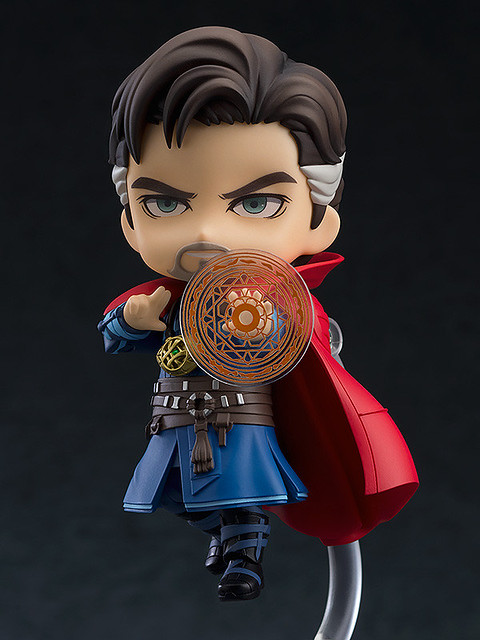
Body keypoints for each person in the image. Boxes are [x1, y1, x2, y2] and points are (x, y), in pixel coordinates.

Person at [98, 26, 418, 603]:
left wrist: (258, 323)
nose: (206, 231)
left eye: (256, 203)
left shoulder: (274, 297)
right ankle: (226, 534)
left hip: (239, 419)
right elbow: (117, 334)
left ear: (319, 223)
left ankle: (244, 548)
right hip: (174, 419)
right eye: (165, 203)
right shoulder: (169, 296)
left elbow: (291, 340)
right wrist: (136, 318)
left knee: (241, 493)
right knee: (171, 496)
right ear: (130, 223)